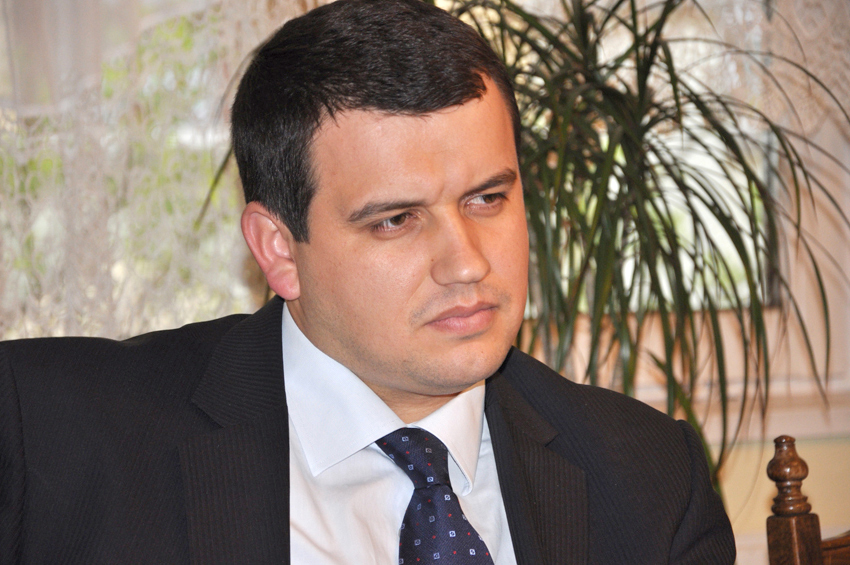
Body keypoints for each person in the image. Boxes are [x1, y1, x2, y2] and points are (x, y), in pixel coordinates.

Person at [0, 0, 735, 563]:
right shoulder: (48, 437)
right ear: (279, 250)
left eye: (487, 198)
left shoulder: (649, 478)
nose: (467, 263)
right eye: (396, 220)